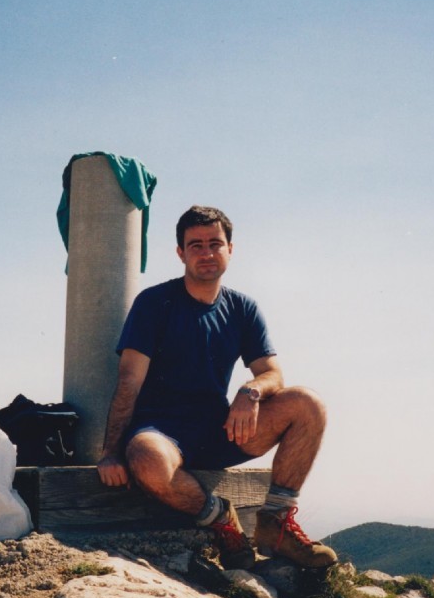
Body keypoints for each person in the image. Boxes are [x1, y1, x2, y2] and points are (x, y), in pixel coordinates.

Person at [97, 205, 337, 570]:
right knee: (148, 457)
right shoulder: (154, 303)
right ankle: (222, 520)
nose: (206, 253)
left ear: (230, 249)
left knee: (307, 404)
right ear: (181, 253)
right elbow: (129, 381)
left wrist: (250, 391)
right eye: (195, 245)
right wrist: (111, 451)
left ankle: (276, 523)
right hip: (160, 432)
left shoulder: (242, 308)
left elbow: (272, 373)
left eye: (215, 243)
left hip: (219, 429)